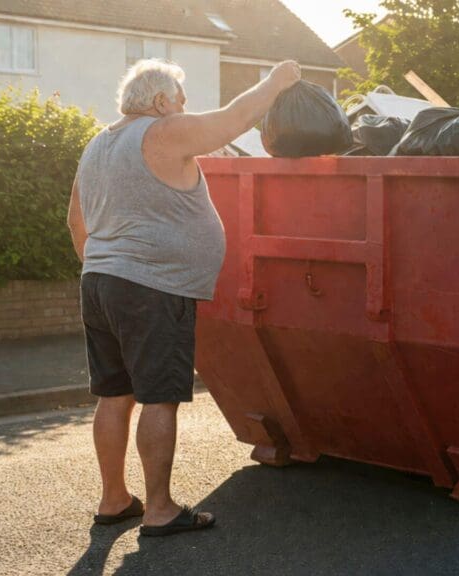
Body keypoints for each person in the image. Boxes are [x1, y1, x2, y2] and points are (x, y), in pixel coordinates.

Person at [67, 58, 301, 537]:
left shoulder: (97, 143)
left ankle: (114, 499)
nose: (185, 108)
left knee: (114, 394)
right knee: (160, 398)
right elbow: (233, 120)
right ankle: (159, 509)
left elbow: (76, 220)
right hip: (152, 288)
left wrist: (104, 268)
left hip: (100, 282)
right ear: (159, 102)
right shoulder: (161, 132)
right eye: (180, 99)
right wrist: (275, 82)